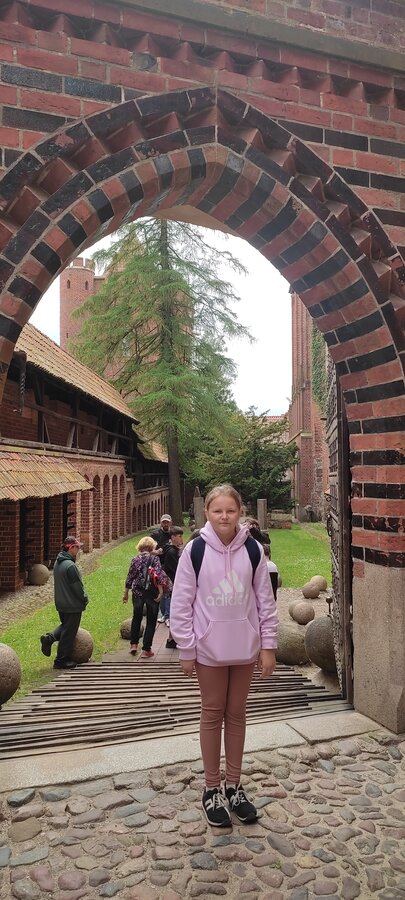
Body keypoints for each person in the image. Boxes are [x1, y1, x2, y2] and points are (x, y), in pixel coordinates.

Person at [170, 484, 278, 828]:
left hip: (244, 648)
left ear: (240, 512)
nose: (224, 516)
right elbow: (181, 602)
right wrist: (186, 648)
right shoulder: (195, 550)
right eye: (217, 510)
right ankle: (211, 788)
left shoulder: (253, 550)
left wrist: (268, 646)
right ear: (207, 513)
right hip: (209, 649)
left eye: (230, 510)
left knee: (237, 714)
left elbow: (265, 601)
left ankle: (234, 785)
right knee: (212, 711)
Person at [40, 536, 89, 670]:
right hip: (72, 604)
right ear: (71, 547)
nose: (78, 550)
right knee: (69, 632)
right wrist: (84, 598)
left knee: (66, 626)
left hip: (61, 603)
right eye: (77, 547)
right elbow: (77, 588)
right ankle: (61, 660)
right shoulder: (70, 566)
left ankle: (49, 639)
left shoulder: (58, 562)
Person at [123, 536, 165, 659]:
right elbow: (158, 576)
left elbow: (130, 576)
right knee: (151, 621)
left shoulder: (135, 559)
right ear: (152, 546)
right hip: (152, 592)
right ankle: (146, 649)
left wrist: (126, 593)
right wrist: (161, 592)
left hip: (137, 592)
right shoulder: (155, 559)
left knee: (136, 617)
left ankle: (133, 644)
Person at [160, 526, 184, 648]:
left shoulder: (172, 550)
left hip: (173, 585)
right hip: (174, 585)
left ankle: (172, 638)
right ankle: (172, 639)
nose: (181, 539)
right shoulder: (171, 552)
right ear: (173, 537)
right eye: (179, 536)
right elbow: (178, 569)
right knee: (175, 613)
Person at [151, 514, 173, 623]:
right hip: (159, 566)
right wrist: (157, 552)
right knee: (162, 591)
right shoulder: (155, 535)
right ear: (161, 523)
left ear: (170, 523)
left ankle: (167, 615)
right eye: (164, 522)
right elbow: (148, 549)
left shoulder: (173, 534)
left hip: (170, 566)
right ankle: (165, 614)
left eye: (167, 522)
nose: (165, 524)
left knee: (168, 592)